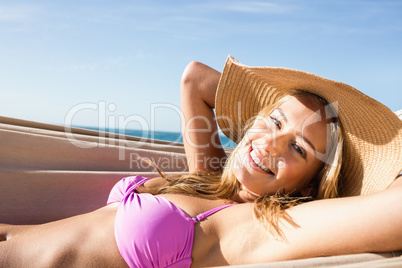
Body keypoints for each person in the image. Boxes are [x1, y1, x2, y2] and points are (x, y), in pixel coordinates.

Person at [0, 56, 401, 267]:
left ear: (308, 187)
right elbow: (194, 78)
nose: (274, 142)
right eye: (274, 121)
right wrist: (257, 130)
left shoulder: (262, 227)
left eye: (299, 148)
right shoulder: (207, 181)